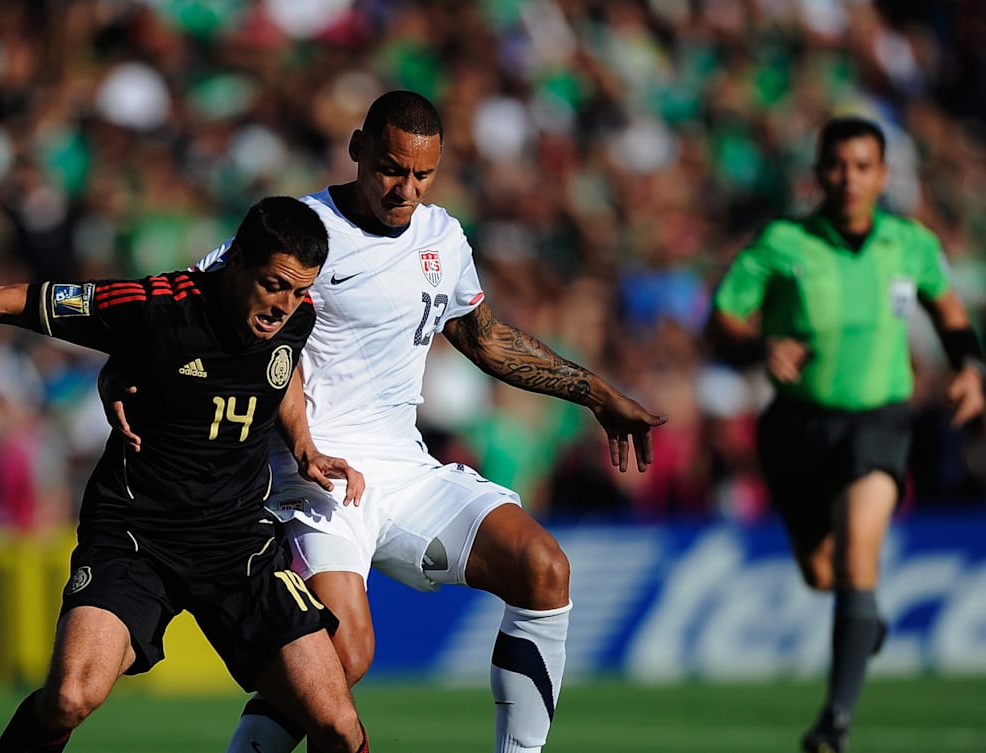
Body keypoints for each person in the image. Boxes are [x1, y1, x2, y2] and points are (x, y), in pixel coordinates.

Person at [106, 90, 666, 753]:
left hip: (406, 467)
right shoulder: (301, 231)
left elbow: (485, 340)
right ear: (358, 150)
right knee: (343, 656)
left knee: (543, 567)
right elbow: (186, 301)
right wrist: (121, 369)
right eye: (391, 169)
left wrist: (596, 392)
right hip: (315, 478)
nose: (405, 189)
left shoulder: (443, 237)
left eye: (422, 175)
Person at [0, 196, 373, 753]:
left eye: (301, 289)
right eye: (275, 284)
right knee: (70, 697)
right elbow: (15, 301)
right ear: (238, 260)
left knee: (338, 726)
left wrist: (303, 446)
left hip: (238, 545)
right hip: (136, 539)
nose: (286, 305)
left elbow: (281, 374)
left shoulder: (294, 318)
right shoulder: (153, 307)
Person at [706, 116, 985, 753]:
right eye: (837, 165)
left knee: (861, 557)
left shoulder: (909, 245)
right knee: (822, 572)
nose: (849, 178)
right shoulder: (782, 243)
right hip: (796, 429)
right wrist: (759, 345)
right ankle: (863, 621)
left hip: (878, 421)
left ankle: (834, 723)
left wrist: (970, 368)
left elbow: (950, 312)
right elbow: (720, 321)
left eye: (863, 166)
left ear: (883, 175)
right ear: (818, 173)